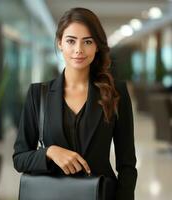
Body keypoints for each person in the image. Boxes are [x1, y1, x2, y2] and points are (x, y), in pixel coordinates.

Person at [13, 7, 137, 200]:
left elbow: (127, 164)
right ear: (60, 43)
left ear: (97, 46)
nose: (79, 49)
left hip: (101, 194)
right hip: (52, 195)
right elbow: (20, 158)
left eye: (87, 41)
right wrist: (50, 152)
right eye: (71, 41)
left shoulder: (115, 93)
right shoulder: (38, 94)